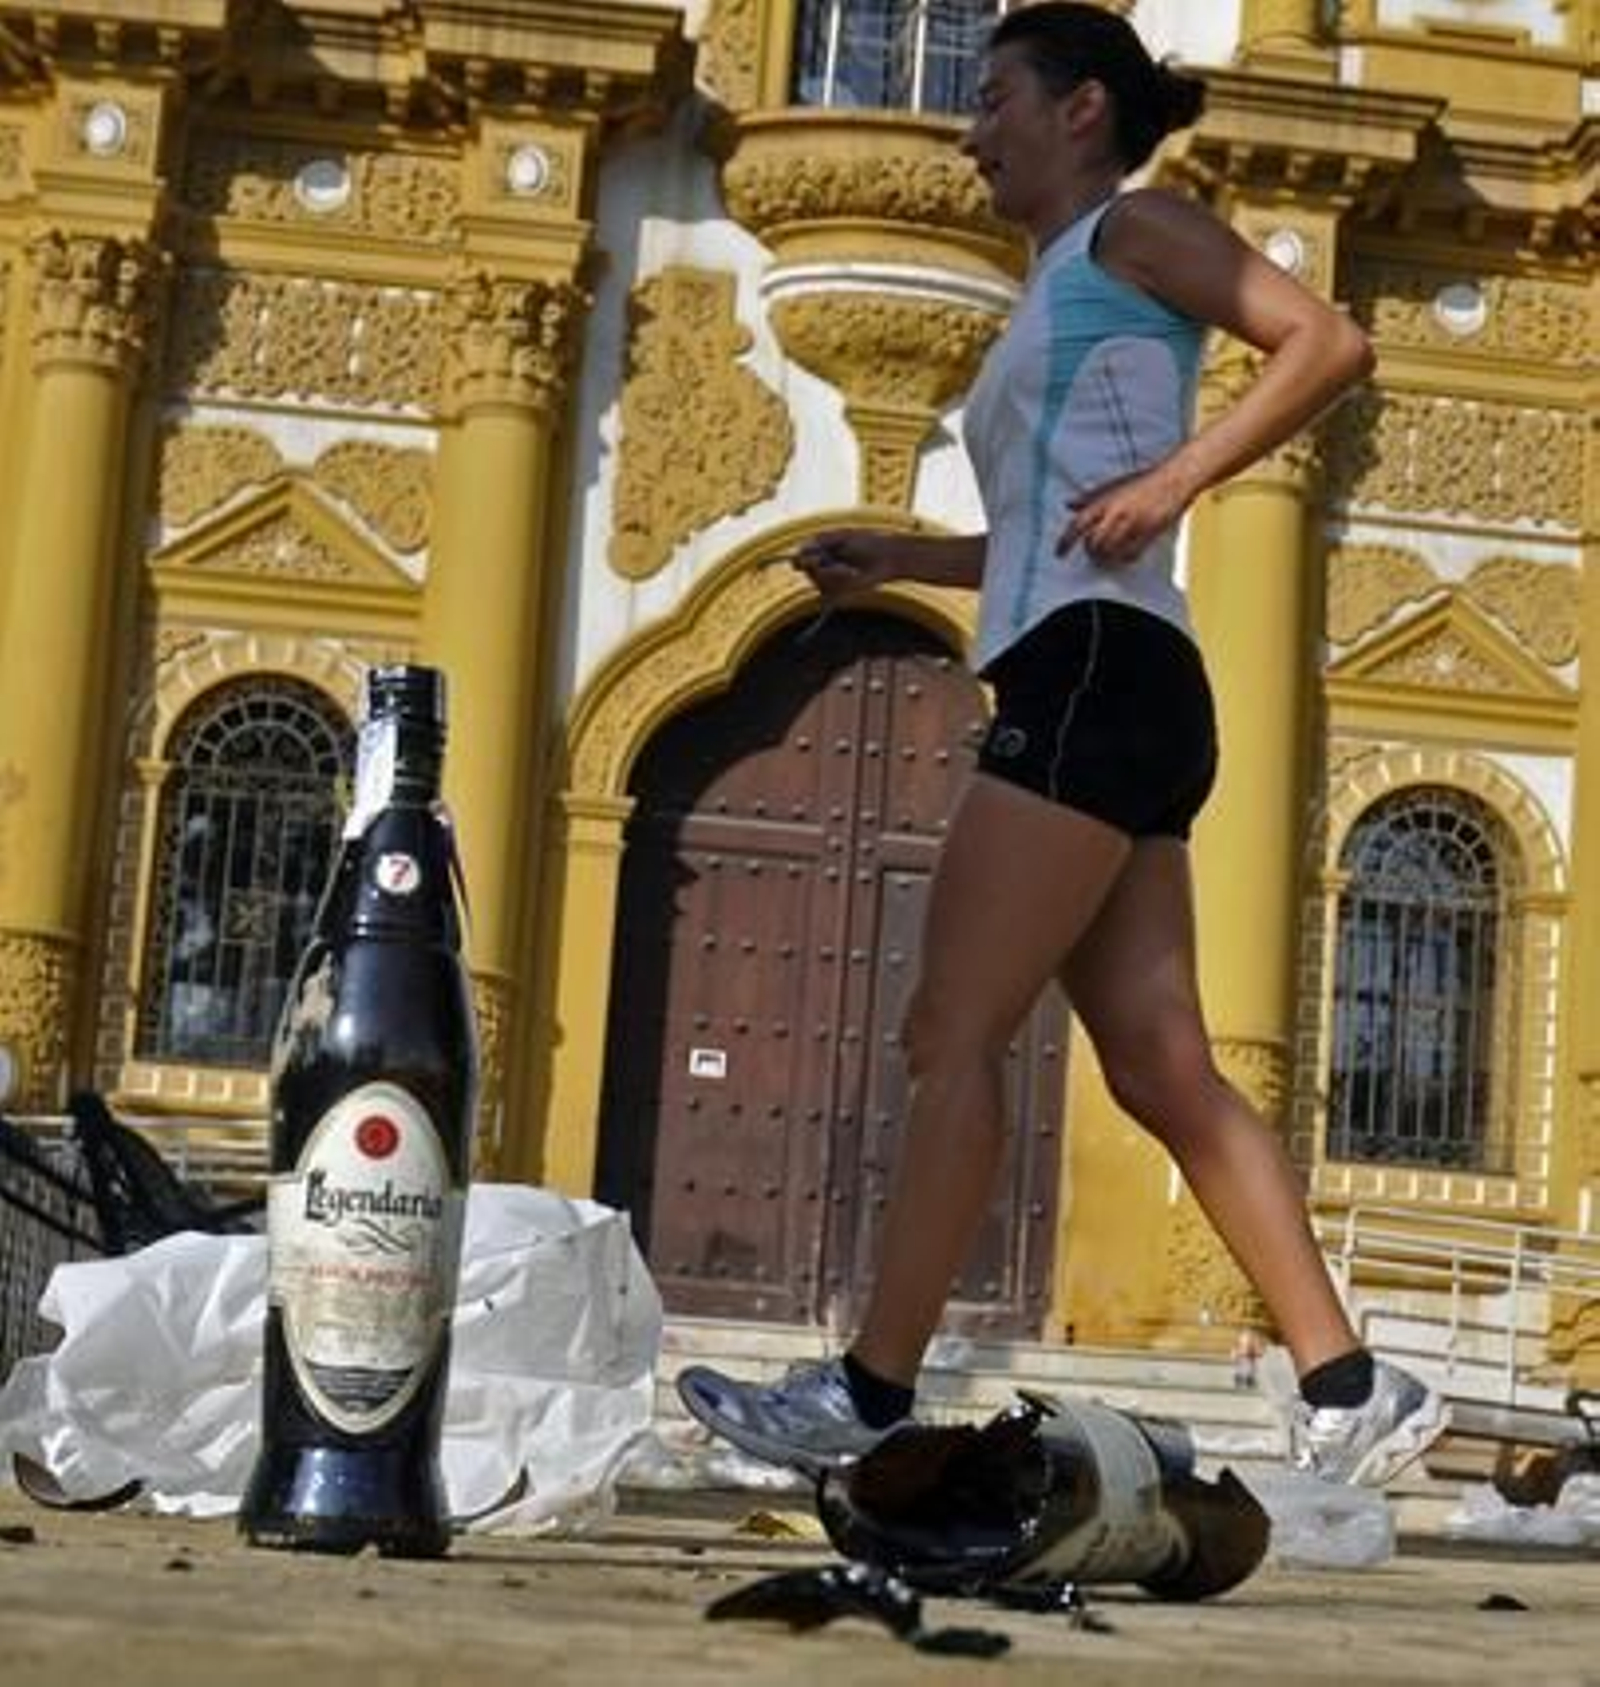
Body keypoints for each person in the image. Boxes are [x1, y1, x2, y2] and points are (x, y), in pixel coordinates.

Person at [677, 3, 1447, 1488]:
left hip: (1094, 680)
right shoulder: (1058, 281)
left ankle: (869, 1394)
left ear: (1082, 108)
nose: (970, 130)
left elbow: (1324, 343)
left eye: (994, 96)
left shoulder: (1135, 229)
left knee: (945, 1033)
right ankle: (1352, 1387)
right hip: (1117, 674)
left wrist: (1176, 481)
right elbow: (1054, 525)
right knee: (1162, 1064)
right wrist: (902, 553)